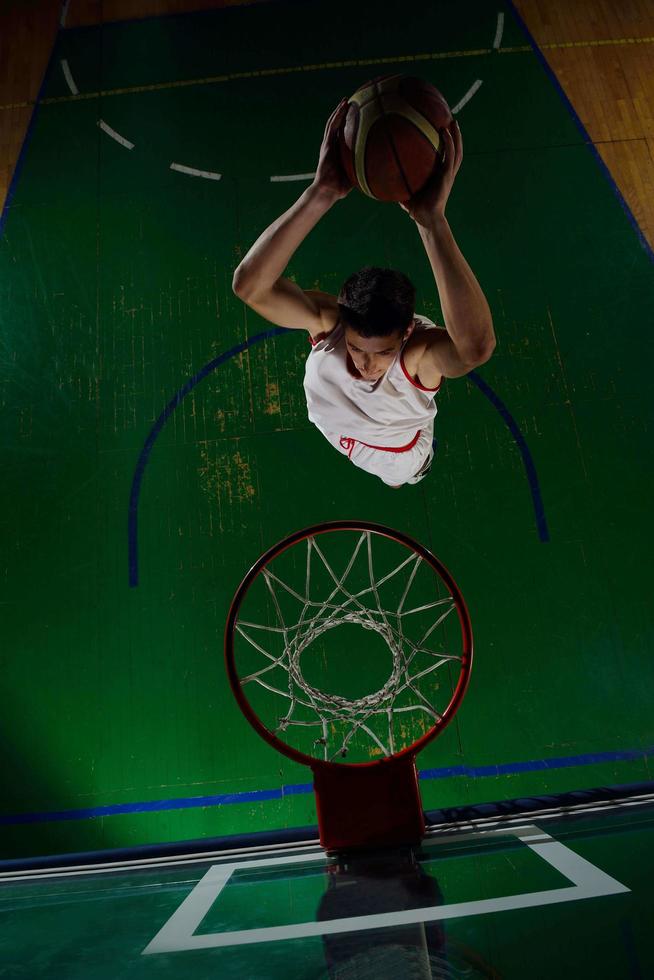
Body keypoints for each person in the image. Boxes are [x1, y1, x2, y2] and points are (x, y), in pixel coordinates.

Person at [232, 98, 495, 487]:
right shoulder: (331, 323)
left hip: (397, 455)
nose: (367, 365)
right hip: (341, 429)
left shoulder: (417, 355)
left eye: (383, 352)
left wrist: (431, 222)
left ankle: (423, 464)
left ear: (406, 332)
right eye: (357, 347)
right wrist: (321, 192)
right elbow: (249, 286)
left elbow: (476, 348)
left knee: (402, 479)